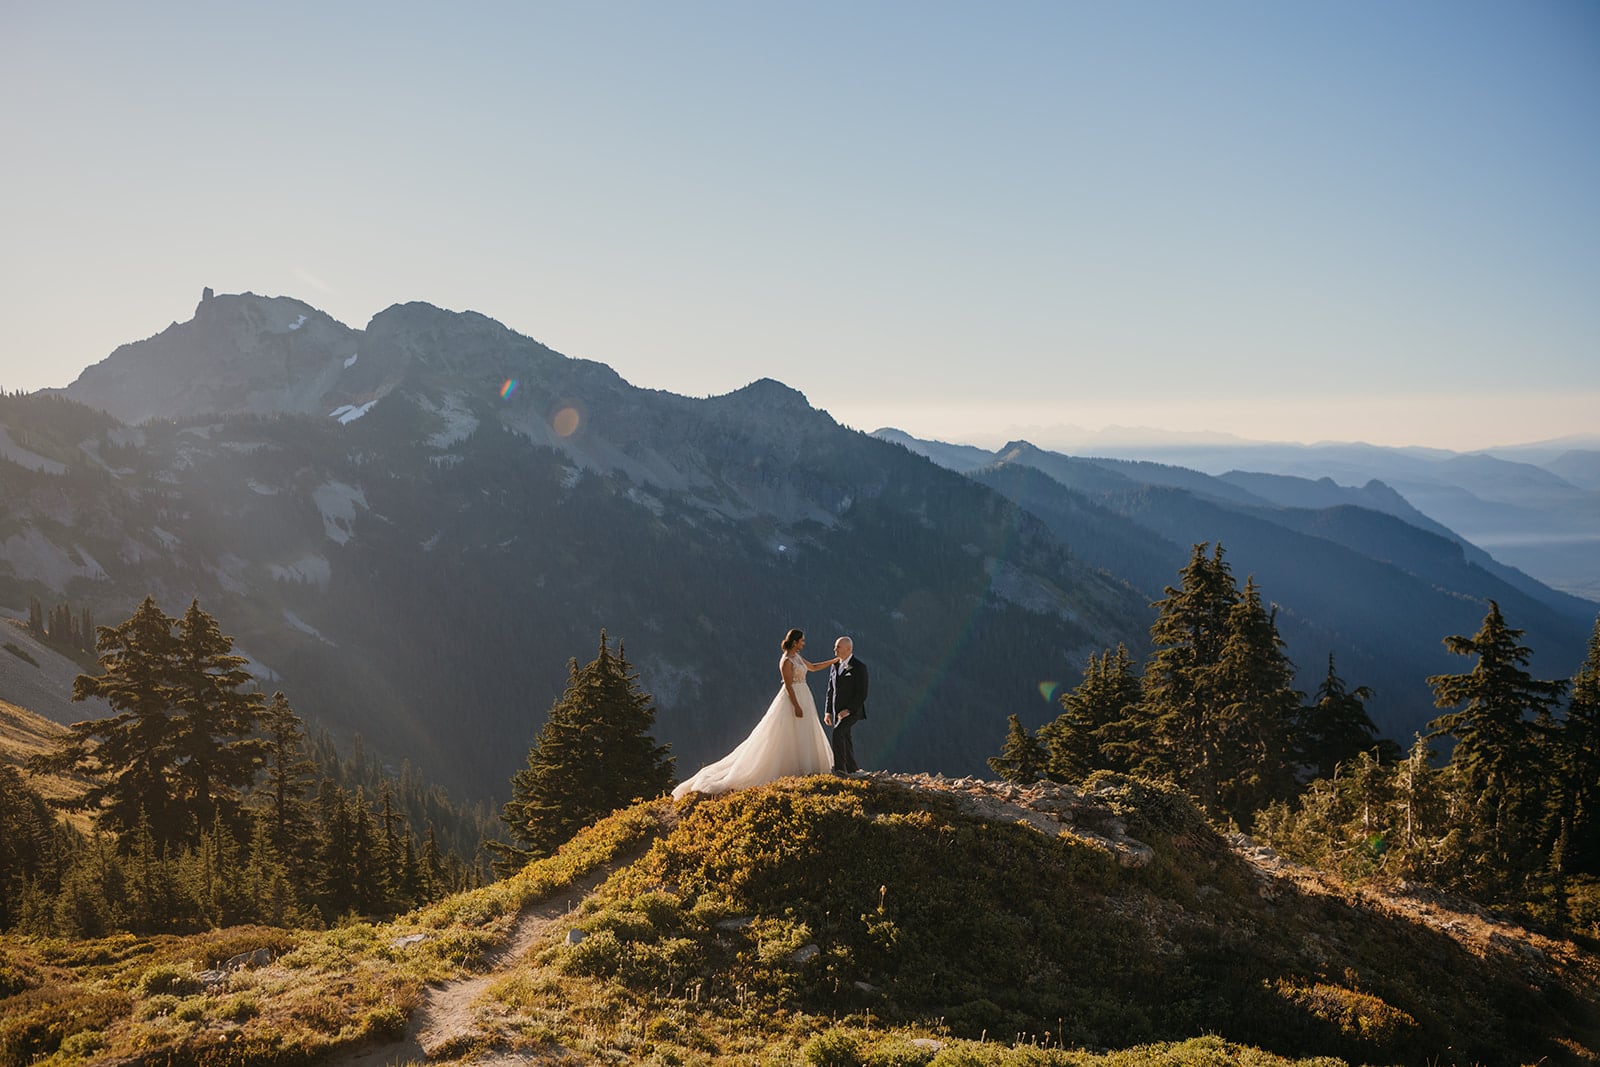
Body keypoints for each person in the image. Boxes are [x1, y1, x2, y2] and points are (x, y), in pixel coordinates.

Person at [671, 628, 837, 799]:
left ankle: (806, 767)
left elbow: (814, 667)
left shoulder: (797, 657)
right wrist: (796, 705)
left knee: (804, 730)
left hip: (804, 695)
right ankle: (800, 767)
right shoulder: (786, 661)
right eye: (801, 640)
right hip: (794, 698)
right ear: (795, 642)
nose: (803, 643)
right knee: (787, 731)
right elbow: (788, 686)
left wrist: (834, 661)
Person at [824, 635, 868, 774]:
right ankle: (852, 768)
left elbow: (862, 693)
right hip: (837, 710)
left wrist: (848, 710)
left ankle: (840, 769)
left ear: (848, 649)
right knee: (845, 736)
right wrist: (828, 711)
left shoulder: (859, 667)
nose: (834, 649)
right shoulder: (835, 665)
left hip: (852, 711)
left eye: (838, 647)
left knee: (838, 733)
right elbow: (830, 690)